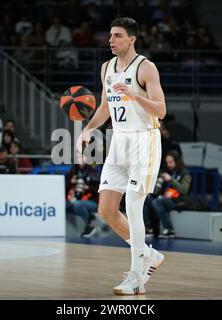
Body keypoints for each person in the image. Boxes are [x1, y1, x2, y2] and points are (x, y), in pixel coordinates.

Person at [77, 17, 166, 295]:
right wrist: (89, 128)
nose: (111, 40)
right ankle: (149, 255)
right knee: (106, 209)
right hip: (119, 140)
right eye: (110, 35)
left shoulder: (146, 67)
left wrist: (134, 95)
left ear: (132, 39)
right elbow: (105, 105)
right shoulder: (107, 67)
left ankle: (137, 278)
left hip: (144, 139)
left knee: (135, 207)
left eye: (117, 36)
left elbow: (161, 110)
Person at [148, 150, 191, 238]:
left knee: (157, 202)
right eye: (167, 162)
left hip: (178, 201)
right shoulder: (170, 172)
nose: (168, 165)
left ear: (177, 161)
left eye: (171, 162)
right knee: (147, 200)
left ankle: (169, 229)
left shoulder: (185, 174)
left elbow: (184, 189)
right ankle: (149, 229)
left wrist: (171, 180)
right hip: (167, 199)